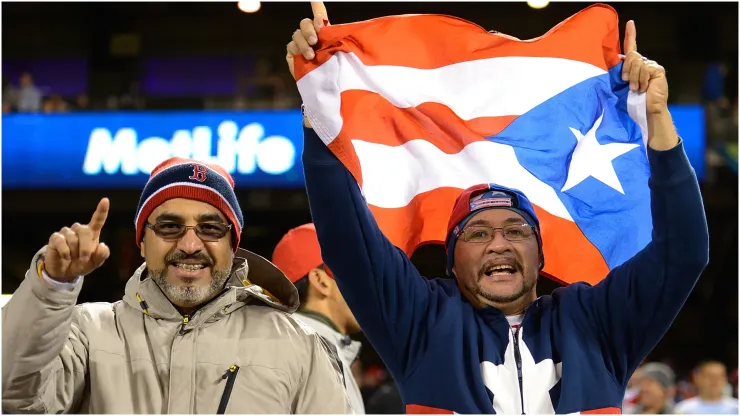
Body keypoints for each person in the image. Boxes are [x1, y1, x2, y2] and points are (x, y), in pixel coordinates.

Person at [287, 3, 709, 414]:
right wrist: (321, 108)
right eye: (477, 233)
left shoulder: (597, 321)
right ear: (452, 262)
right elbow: (347, 241)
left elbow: (684, 252)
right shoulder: (421, 321)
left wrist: (658, 119)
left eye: (517, 230)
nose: (498, 243)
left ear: (540, 255)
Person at [2, 157, 351, 414]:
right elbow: (14, 399)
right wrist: (52, 287)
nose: (189, 245)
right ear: (141, 243)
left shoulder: (299, 346)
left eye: (211, 228)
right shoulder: (87, 332)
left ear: (233, 245)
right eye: (169, 227)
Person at [272, 223, 365, 413]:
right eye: (356, 272)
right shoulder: (316, 355)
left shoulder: (292, 345)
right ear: (321, 281)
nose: (369, 286)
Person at [674, 361, 739, 414]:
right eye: (710, 376)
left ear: (726, 380)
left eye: (719, 377)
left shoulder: (736, 408)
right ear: (697, 379)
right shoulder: (683, 410)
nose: (715, 381)